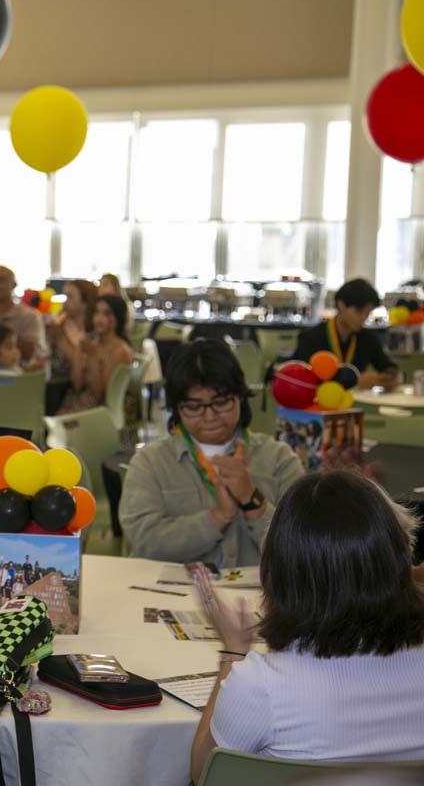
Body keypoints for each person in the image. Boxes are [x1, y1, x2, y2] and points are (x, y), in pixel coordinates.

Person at [189, 471, 424, 782]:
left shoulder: (261, 686)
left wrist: (232, 653)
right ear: (399, 557)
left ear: (278, 573)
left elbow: (202, 772)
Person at [120, 339, 303, 566]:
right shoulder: (149, 463)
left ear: (241, 398)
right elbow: (145, 542)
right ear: (176, 408)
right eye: (194, 407)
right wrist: (218, 516)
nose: (209, 417)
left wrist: (252, 501)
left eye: (222, 402)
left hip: (256, 597)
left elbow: (301, 550)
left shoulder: (279, 459)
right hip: (172, 596)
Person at [292, 278, 398, 390]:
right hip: (320, 403)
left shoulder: (367, 338)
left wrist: (390, 377)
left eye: (368, 313)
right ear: (341, 305)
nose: (363, 318)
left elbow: (388, 366)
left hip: (356, 404)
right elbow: (301, 380)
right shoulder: (311, 338)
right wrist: (355, 382)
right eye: (359, 311)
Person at [58, 294, 134, 414]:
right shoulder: (92, 342)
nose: (99, 318)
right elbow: (77, 385)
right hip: (83, 404)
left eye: (107, 313)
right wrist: (78, 352)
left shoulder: (120, 350)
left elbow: (99, 395)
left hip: (102, 412)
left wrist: (92, 358)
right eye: (97, 312)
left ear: (118, 317)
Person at [47, 279, 99, 415]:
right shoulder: (61, 325)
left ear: (85, 302)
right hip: (51, 384)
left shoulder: (95, 333)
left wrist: (60, 340)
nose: (65, 302)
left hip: (69, 392)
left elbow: (84, 371)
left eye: (69, 296)